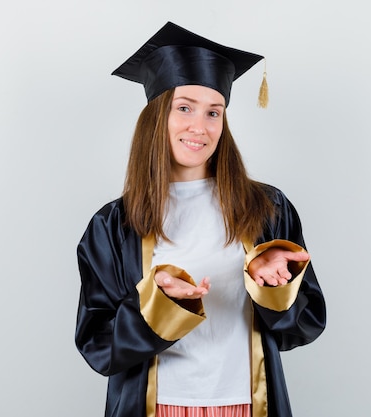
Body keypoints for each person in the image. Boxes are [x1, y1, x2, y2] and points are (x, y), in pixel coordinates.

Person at [75, 21, 326, 417]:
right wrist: (159, 303)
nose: (200, 126)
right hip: (155, 406)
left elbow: (304, 327)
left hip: (247, 404)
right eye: (185, 107)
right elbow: (97, 346)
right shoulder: (113, 225)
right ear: (157, 115)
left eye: (214, 112)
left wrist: (273, 285)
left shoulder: (266, 209)